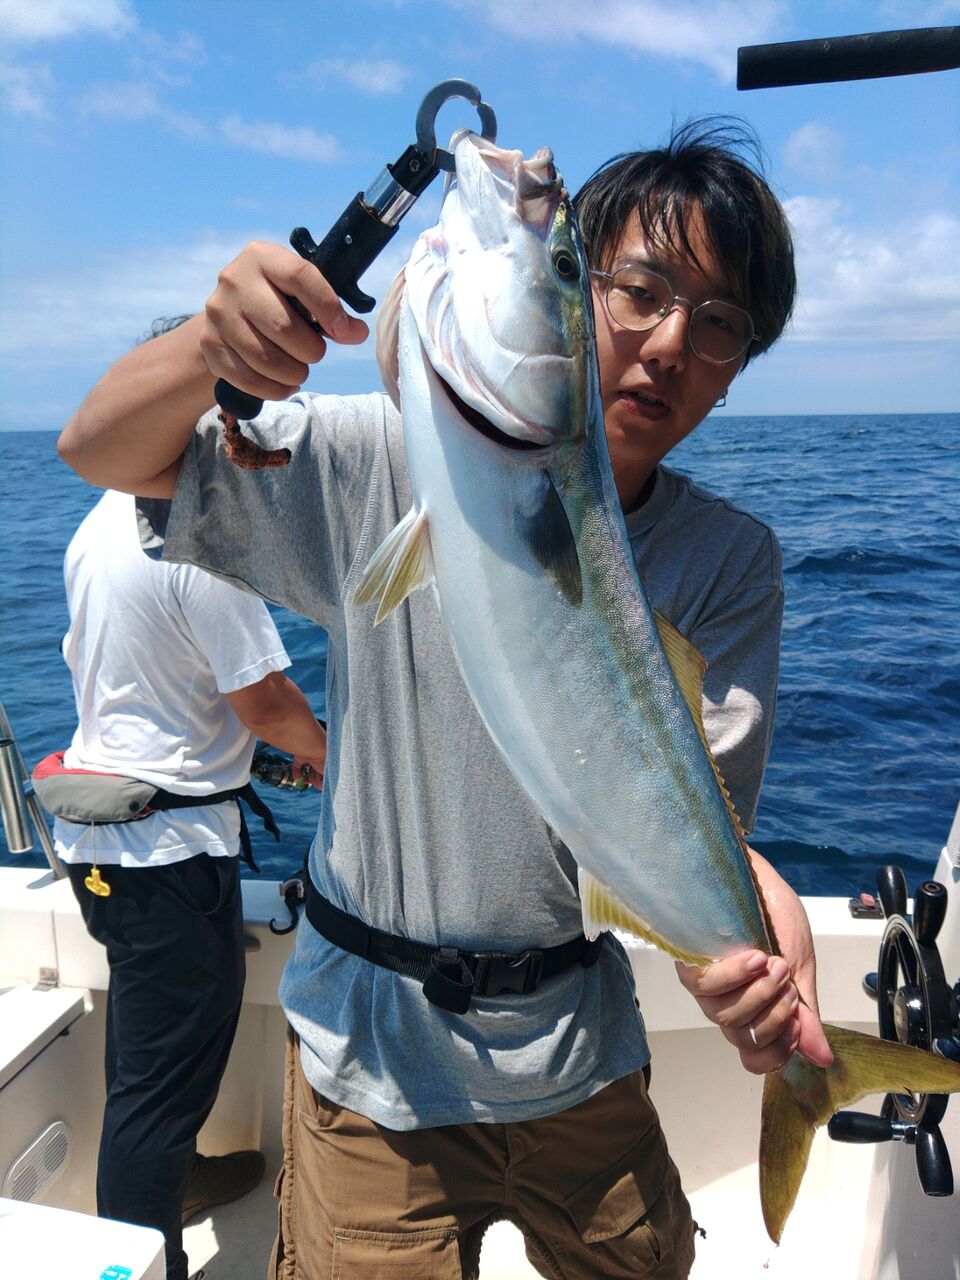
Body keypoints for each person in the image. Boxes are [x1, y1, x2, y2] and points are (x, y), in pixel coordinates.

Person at [58, 119, 834, 1280]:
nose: (671, 342)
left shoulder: (727, 559)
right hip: (372, 1059)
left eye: (720, 323)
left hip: (580, 1052)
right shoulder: (372, 460)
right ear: (582, 305)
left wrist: (750, 943)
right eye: (636, 289)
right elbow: (102, 448)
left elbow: (683, 817)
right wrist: (206, 348)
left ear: (737, 369)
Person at [47, 486, 328, 1280]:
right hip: (168, 858)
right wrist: (329, 754)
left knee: (151, 1059)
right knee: (157, 1088)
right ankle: (148, 1259)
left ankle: (179, 1179)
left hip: (101, 845)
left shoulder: (96, 525)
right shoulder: (201, 540)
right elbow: (265, 701)